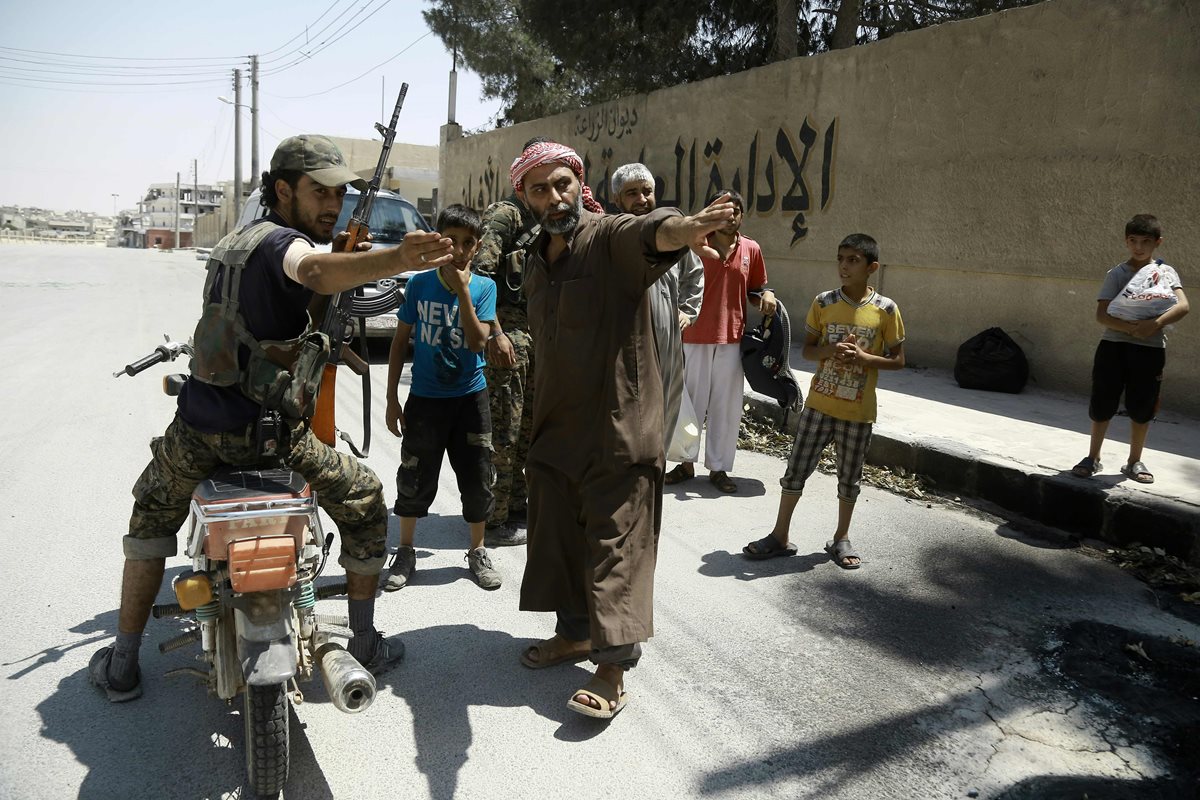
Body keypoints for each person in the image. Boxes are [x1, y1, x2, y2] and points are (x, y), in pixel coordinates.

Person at [89, 135, 454, 702]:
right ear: (283, 189)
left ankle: (123, 663)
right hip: (272, 440)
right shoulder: (286, 244)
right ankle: (365, 641)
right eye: (319, 191)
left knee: (150, 518)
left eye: (339, 192)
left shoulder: (235, 243)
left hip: (198, 433)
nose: (333, 203)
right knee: (363, 499)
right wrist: (397, 259)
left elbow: (254, 319)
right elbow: (312, 271)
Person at [509, 140, 738, 719]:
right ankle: (577, 633)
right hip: (557, 429)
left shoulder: (608, 237)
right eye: (540, 189)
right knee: (560, 539)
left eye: (562, 183)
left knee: (619, 545)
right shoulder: (536, 258)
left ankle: (612, 667)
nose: (554, 196)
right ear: (525, 198)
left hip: (619, 423)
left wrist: (689, 226)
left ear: (578, 182)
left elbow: (652, 232)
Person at [743, 233, 905, 568]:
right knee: (796, 471)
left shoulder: (886, 309)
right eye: (840, 258)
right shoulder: (823, 302)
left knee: (850, 477)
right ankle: (779, 535)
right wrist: (831, 351)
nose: (844, 266)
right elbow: (808, 350)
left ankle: (840, 538)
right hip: (819, 405)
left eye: (853, 260)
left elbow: (898, 359)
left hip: (858, 412)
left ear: (872, 267)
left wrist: (863, 357)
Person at [382, 204, 502, 591]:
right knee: (415, 475)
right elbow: (400, 342)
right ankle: (405, 549)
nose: (461, 250)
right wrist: (390, 400)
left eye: (469, 243)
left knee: (478, 476)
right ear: (438, 243)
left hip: (470, 400)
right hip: (426, 401)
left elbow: (477, 340)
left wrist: (464, 289)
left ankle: (478, 550)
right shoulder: (418, 285)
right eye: (453, 242)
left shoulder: (484, 287)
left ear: (478, 246)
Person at [666, 190, 775, 493]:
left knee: (726, 407)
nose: (731, 216)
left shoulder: (751, 249)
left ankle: (719, 468)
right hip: (694, 335)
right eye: (724, 210)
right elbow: (677, 285)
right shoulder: (694, 245)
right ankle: (684, 464)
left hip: (732, 338)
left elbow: (755, 288)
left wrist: (767, 294)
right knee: (690, 404)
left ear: (742, 215)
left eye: (736, 211)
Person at [1071, 214, 1189, 484]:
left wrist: (1154, 324)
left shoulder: (1165, 273)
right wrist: (1132, 329)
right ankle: (1093, 457)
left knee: (1142, 404)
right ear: (1126, 241)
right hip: (1114, 346)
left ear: (1158, 242)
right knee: (1103, 401)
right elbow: (1102, 315)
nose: (1139, 247)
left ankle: (1134, 461)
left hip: (1150, 349)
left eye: (1145, 241)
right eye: (1133, 241)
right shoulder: (1117, 274)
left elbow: (1183, 306)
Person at [610, 162, 704, 453]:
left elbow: (694, 273)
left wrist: (688, 311)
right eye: (631, 193)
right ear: (617, 200)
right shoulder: (609, 235)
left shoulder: (672, 235)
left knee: (664, 413)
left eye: (646, 192)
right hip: (623, 344)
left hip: (666, 343)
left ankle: (654, 477)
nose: (641, 200)